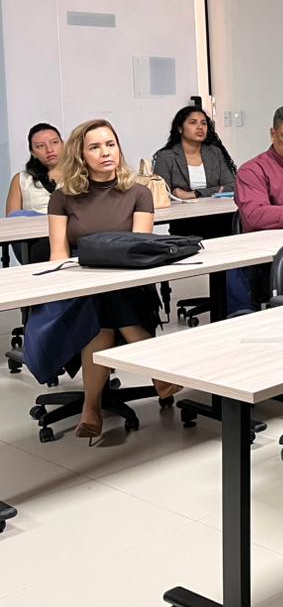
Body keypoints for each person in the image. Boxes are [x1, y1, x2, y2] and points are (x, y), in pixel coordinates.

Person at [42, 119, 177, 440]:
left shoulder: (139, 193)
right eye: (95, 147)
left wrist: (109, 279)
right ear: (81, 155)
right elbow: (59, 255)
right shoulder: (62, 197)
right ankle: (159, 373)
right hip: (81, 283)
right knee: (101, 303)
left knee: (107, 305)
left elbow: (138, 249)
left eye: (110, 144)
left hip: (129, 282)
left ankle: (91, 407)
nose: (105, 152)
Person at [151, 105, 238, 200]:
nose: (200, 127)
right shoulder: (166, 156)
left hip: (216, 207)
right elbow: (160, 193)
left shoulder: (214, 152)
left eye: (204, 123)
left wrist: (195, 194)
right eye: (193, 123)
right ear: (180, 129)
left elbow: (232, 186)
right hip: (180, 208)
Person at [6, 123, 62, 215]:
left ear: (63, 144)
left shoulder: (79, 175)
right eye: (40, 146)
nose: (49, 150)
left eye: (54, 142)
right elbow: (13, 219)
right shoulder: (21, 179)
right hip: (33, 224)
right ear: (33, 153)